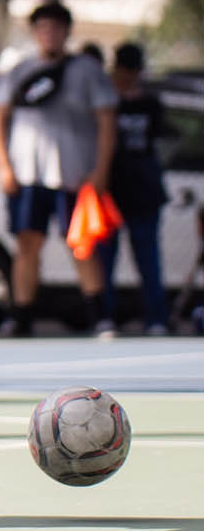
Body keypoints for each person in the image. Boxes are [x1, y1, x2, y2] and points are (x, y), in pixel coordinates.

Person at [0, 0, 117, 337]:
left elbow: (106, 121)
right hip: (29, 177)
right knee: (27, 245)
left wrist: (100, 169)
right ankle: (21, 316)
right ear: (34, 33)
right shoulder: (19, 71)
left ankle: (99, 316)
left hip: (74, 175)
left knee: (81, 244)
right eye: (43, 28)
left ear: (67, 32)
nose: (49, 35)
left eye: (56, 28)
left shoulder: (87, 70)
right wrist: (4, 167)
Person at [96, 42, 168, 336]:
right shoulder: (106, 102)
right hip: (111, 191)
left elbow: (161, 141)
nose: (127, 76)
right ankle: (104, 317)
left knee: (148, 258)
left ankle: (156, 318)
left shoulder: (151, 104)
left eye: (132, 70)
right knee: (104, 260)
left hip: (143, 192)